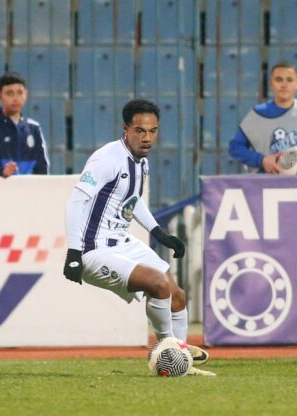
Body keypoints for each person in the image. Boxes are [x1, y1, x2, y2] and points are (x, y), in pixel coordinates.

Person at [63, 98, 213, 376]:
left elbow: (133, 199)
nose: (147, 138)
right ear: (126, 129)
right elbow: (76, 201)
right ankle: (168, 352)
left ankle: (180, 356)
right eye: (140, 131)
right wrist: (73, 252)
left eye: (153, 131)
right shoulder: (107, 158)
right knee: (158, 284)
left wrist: (158, 232)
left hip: (122, 242)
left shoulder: (141, 161)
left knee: (177, 296)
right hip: (94, 249)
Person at [228, 61, 297, 173]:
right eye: (279, 80)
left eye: (289, 80)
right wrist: (261, 160)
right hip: (269, 181)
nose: (284, 85)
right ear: (271, 83)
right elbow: (235, 148)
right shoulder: (257, 114)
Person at [0, 72, 49, 177]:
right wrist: (1, 172)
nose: (15, 98)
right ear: (0, 96)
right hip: (1, 186)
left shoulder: (34, 127)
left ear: (26, 95)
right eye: (9, 93)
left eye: (20, 93)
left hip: (29, 187)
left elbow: (43, 166)